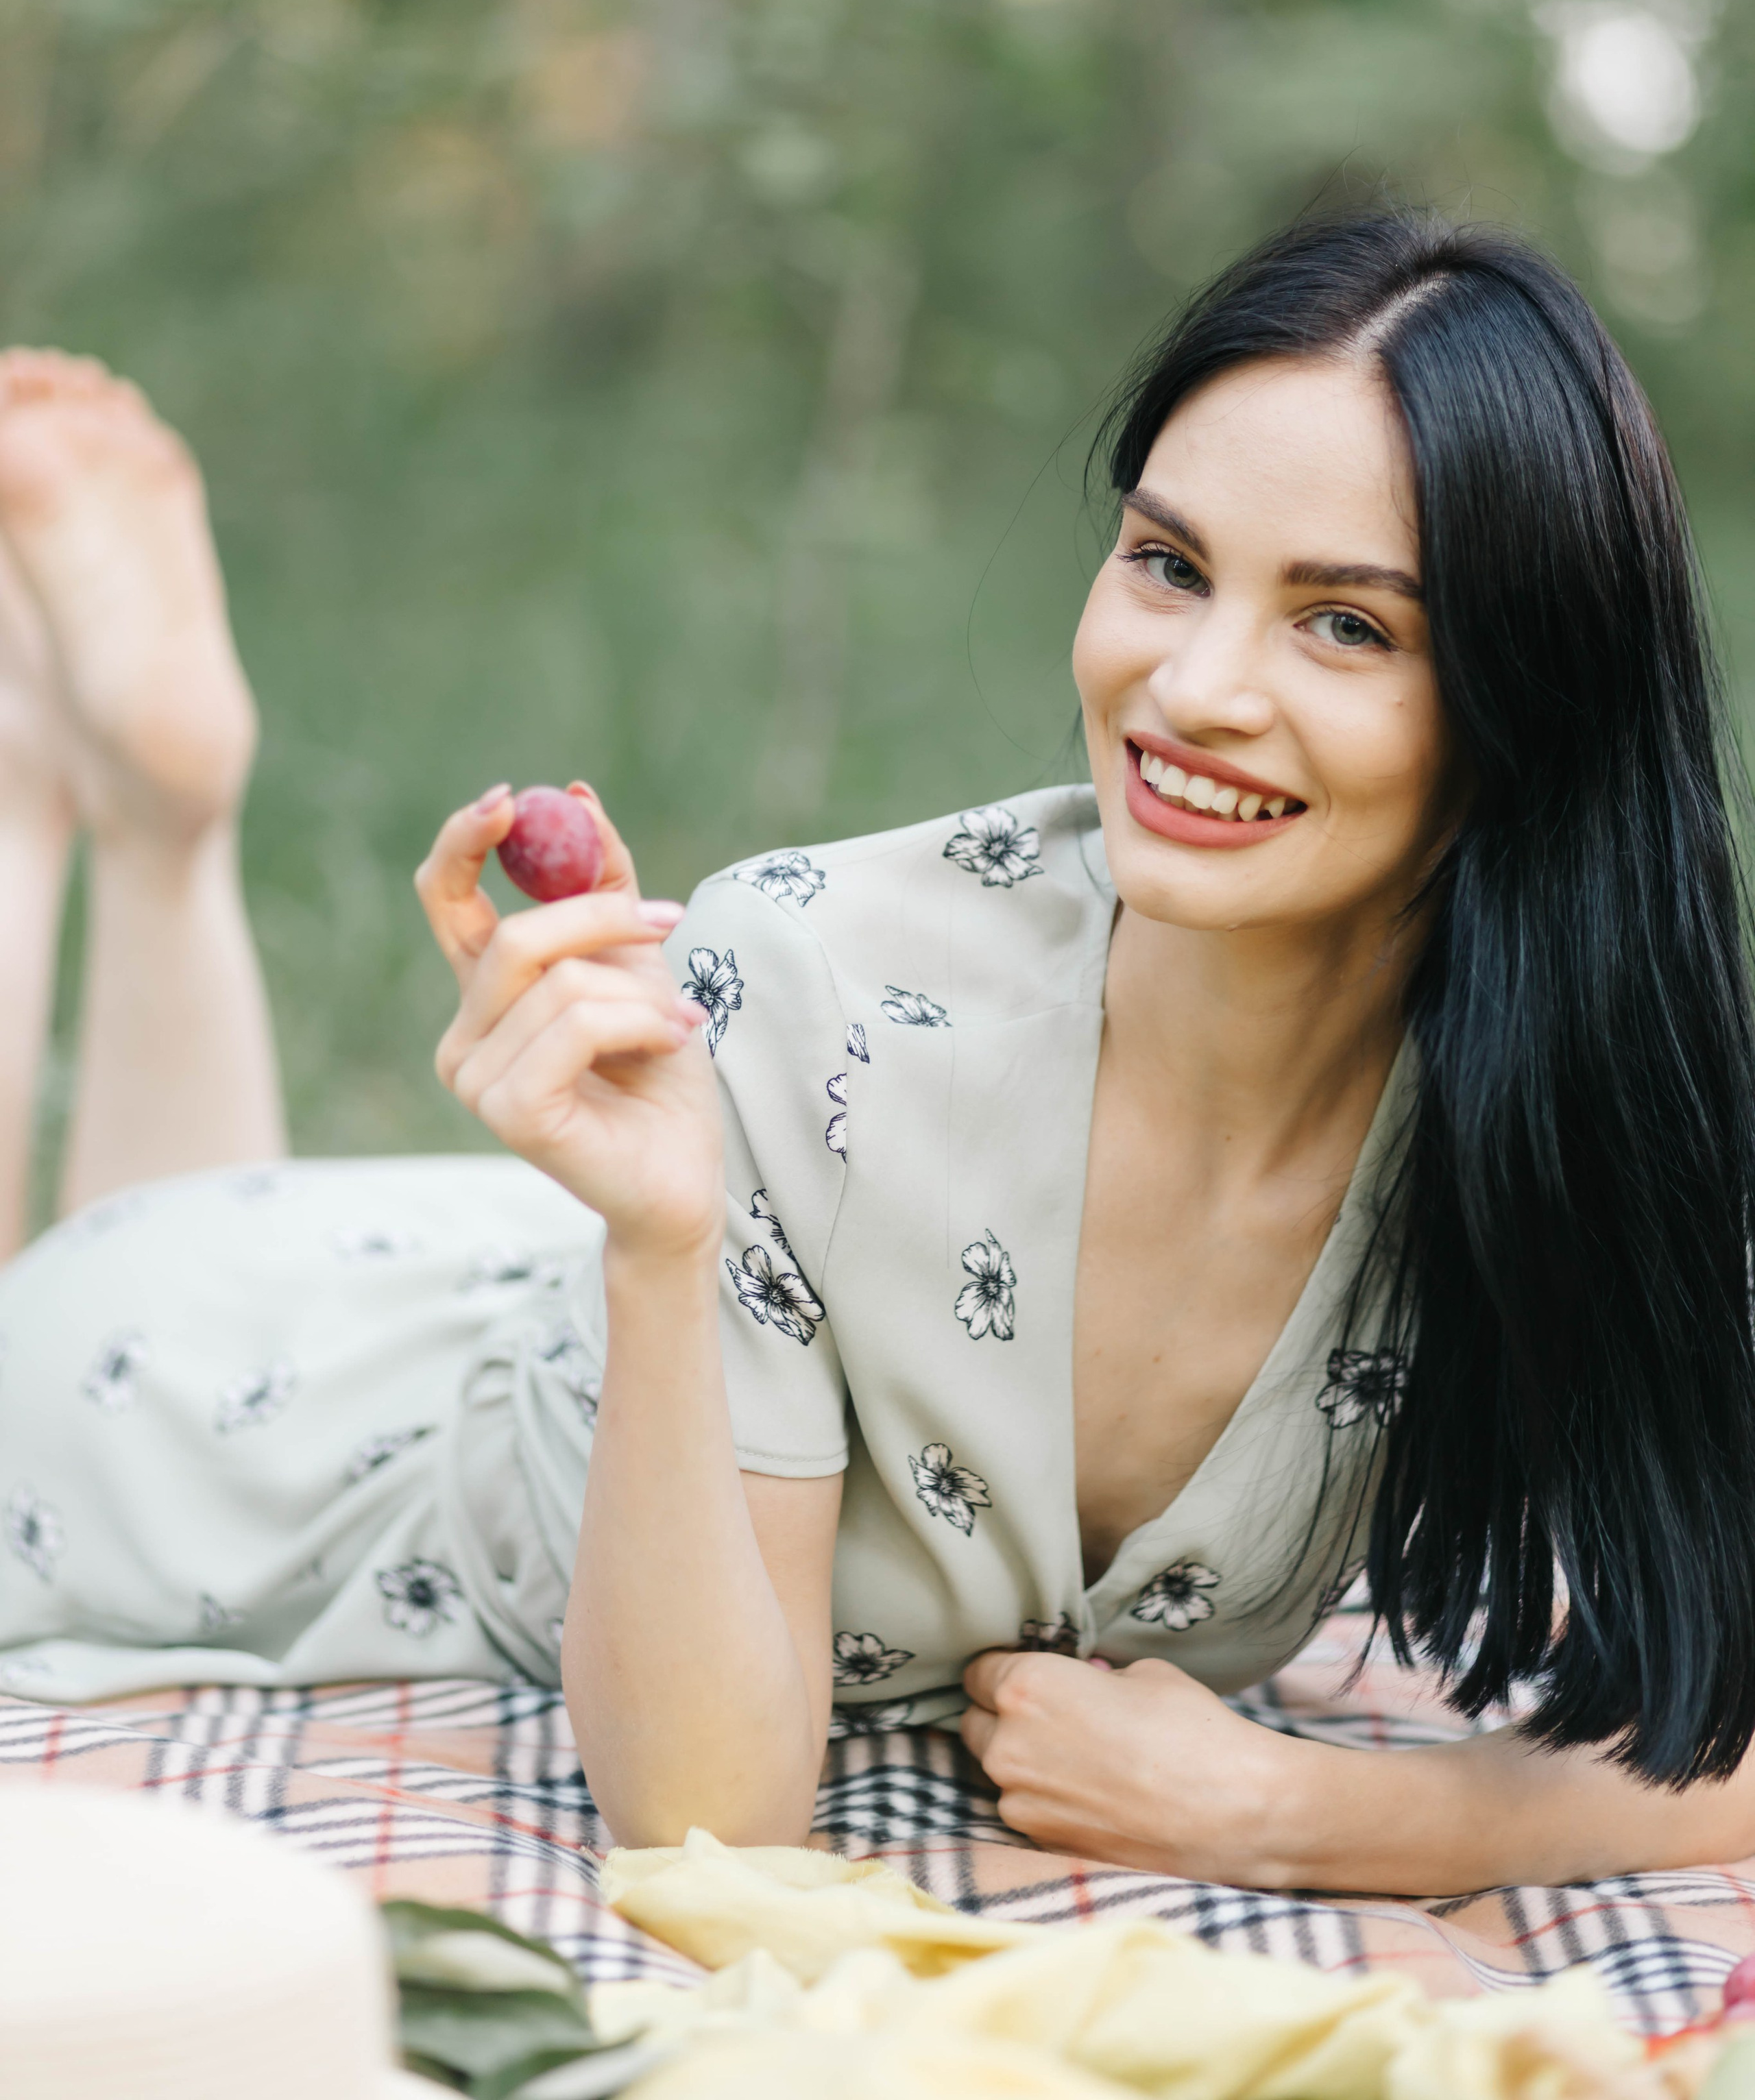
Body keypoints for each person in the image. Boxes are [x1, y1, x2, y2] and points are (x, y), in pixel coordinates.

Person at [3, 210, 1755, 1900]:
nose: (1194, 687)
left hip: (470, 1277)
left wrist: (1310, 1814)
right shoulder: (819, 995)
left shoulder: (1558, 1114)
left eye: (1345, 624)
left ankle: (151, 822)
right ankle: (69, 796)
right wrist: (668, 1244)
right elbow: (708, 1821)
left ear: (1531, 720)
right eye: (1165, 563)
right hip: (213, 1459)